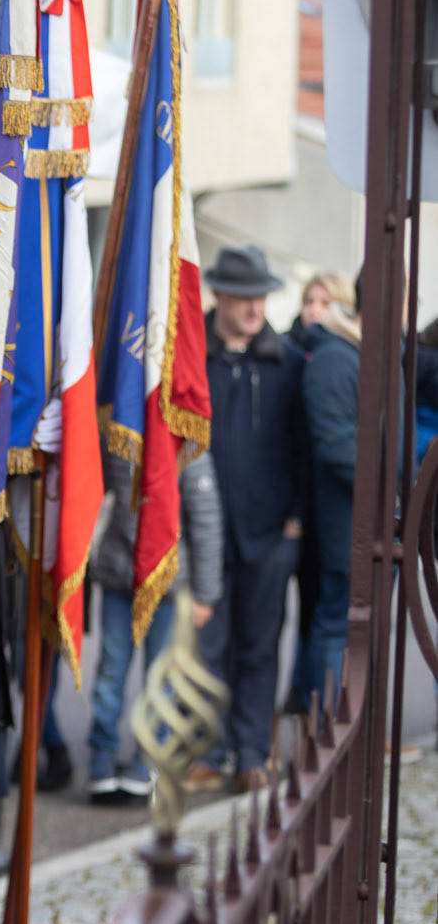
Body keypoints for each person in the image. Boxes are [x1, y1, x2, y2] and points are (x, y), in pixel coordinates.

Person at [200, 244, 307, 795]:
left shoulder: (287, 362)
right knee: (207, 647)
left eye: (260, 296)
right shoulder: (190, 353)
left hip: (270, 535)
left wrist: (296, 518)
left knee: (260, 647)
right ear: (219, 293)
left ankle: (251, 754)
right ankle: (211, 753)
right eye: (243, 296)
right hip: (206, 534)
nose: (253, 307)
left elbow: (306, 446)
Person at [87, 443, 223, 804]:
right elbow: (95, 489)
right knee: (110, 671)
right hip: (121, 575)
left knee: (159, 676)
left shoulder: (188, 444)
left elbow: (206, 517)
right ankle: (102, 753)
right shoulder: (121, 431)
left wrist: (206, 593)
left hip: (168, 582)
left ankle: (150, 757)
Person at [299, 287, 361, 705]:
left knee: (349, 624)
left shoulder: (354, 351)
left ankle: (341, 724)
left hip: (361, 517)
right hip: (348, 522)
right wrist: (391, 490)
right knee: (337, 623)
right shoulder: (337, 357)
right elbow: (336, 444)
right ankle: (327, 726)